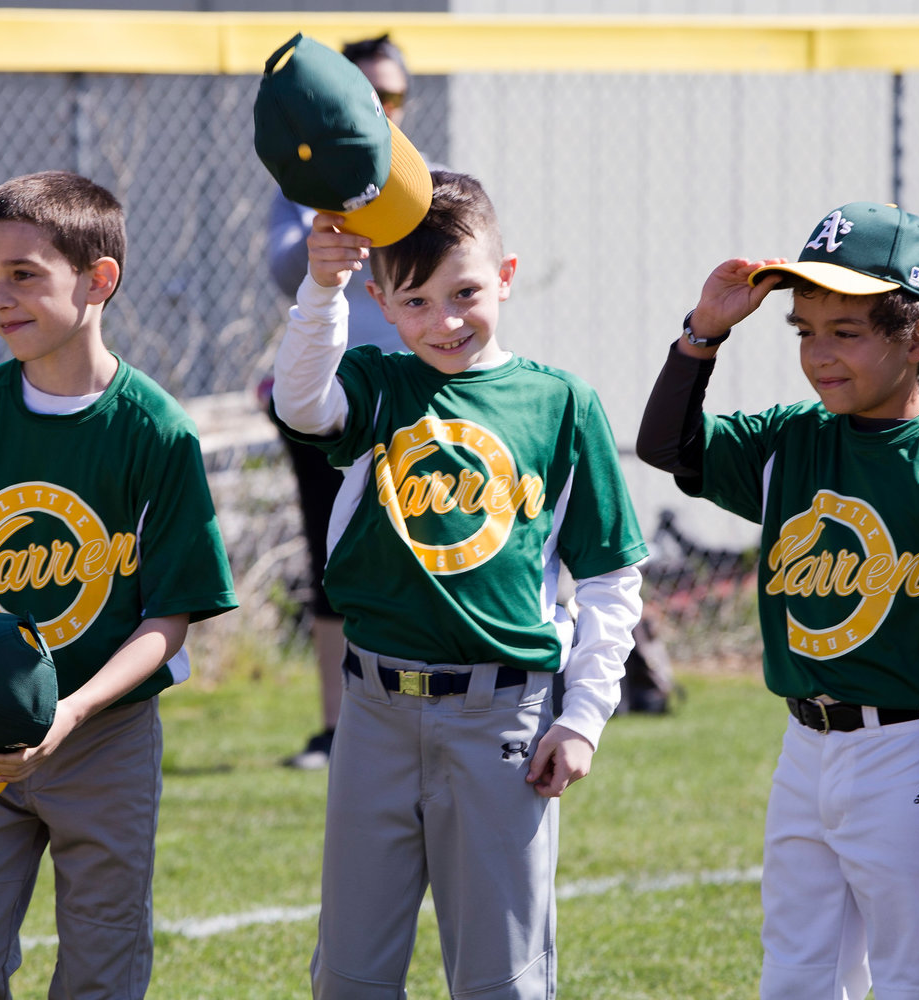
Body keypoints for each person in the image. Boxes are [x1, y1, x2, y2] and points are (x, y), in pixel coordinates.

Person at [637, 202, 919, 999]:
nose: (819, 355)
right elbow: (668, 447)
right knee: (797, 977)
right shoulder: (794, 438)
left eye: (847, 332)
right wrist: (703, 333)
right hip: (806, 749)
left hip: (918, 754)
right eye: (804, 331)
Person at [271, 170, 646, 999]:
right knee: (350, 978)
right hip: (372, 711)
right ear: (381, 298)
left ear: (505, 278)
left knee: (500, 981)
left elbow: (613, 582)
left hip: (502, 718)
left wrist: (582, 719)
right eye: (412, 302)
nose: (442, 321)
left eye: (465, 292)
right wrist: (321, 288)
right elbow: (300, 403)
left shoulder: (560, 403)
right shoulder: (382, 383)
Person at [0, 171, 237, 998]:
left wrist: (73, 712)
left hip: (105, 736)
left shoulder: (155, 430)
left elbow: (170, 618)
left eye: (24, 275)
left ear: (98, 279)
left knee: (100, 973)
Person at [267, 33, 421, 770]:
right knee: (333, 559)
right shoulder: (303, 185)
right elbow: (279, 270)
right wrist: (328, 225)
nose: (381, 108)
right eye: (366, 97)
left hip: (416, 401)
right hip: (331, 395)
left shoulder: (435, 181)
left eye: (391, 97)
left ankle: (417, 710)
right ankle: (337, 727)